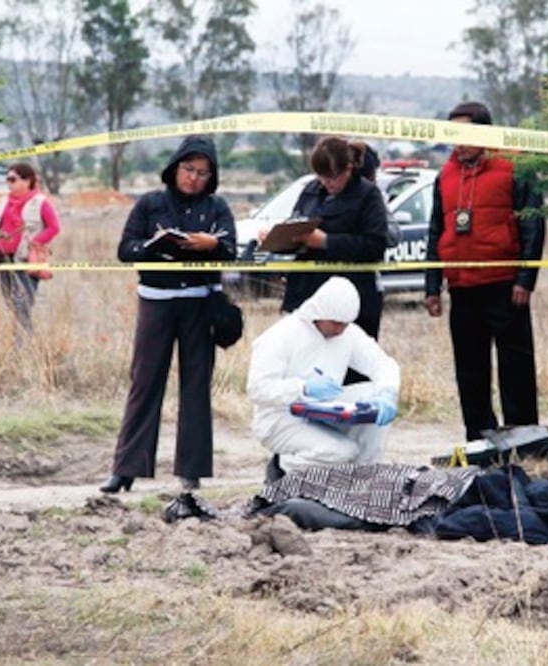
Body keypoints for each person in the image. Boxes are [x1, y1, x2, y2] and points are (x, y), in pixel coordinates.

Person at [101, 135, 237, 494]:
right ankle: (125, 469)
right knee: (145, 383)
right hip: (156, 302)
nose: (194, 177)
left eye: (203, 173)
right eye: (188, 169)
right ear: (175, 167)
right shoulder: (150, 204)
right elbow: (125, 249)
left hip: (198, 303)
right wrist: (153, 248)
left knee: (195, 386)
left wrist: (213, 245)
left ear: (212, 176)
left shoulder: (217, 208)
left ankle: (191, 471)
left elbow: (231, 250)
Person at [424, 101, 546, 441]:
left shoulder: (516, 166)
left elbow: (533, 225)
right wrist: (432, 286)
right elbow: (436, 231)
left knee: (515, 366)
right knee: (470, 370)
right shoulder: (444, 176)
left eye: (463, 134)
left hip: (505, 285)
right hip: (462, 287)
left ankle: (524, 438)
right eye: (452, 136)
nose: (457, 143)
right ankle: (478, 439)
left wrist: (526, 278)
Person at [247, 276, 400, 478]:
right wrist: (301, 388)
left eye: (345, 324)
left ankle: (362, 480)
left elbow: (382, 364)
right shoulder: (281, 336)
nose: (340, 330)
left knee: (374, 396)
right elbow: (257, 389)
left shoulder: (347, 333)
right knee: (341, 452)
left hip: (325, 412)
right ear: (319, 313)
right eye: (335, 323)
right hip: (280, 418)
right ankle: (282, 471)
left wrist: (387, 393)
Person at [274, 136, 389, 340]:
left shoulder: (368, 195)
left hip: (352, 297)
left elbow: (375, 244)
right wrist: (280, 238)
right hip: (309, 295)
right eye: (321, 176)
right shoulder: (310, 191)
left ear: (349, 168)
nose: (326, 183)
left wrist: (326, 241)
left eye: (333, 177)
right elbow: (298, 222)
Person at [0, 162, 61, 335]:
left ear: (28, 181)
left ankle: (23, 345)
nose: (9, 183)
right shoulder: (3, 201)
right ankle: (24, 343)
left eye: (13, 179)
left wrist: (36, 242)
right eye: (7, 179)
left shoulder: (40, 202)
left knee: (23, 304)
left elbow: (54, 227)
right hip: (4, 258)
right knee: (10, 302)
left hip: (26, 259)